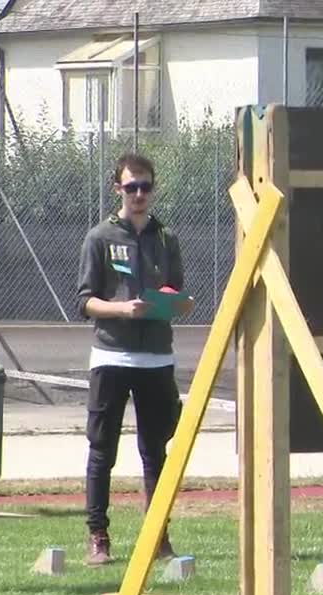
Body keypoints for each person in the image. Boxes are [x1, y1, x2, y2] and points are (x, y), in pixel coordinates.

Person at [75, 152, 195, 566]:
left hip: (157, 358)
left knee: (156, 451)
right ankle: (98, 536)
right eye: (131, 187)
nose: (139, 194)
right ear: (118, 189)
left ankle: (157, 536)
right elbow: (85, 301)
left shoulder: (167, 238)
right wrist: (121, 310)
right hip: (111, 354)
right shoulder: (100, 238)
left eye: (145, 186)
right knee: (102, 449)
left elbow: (176, 293)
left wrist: (179, 304)